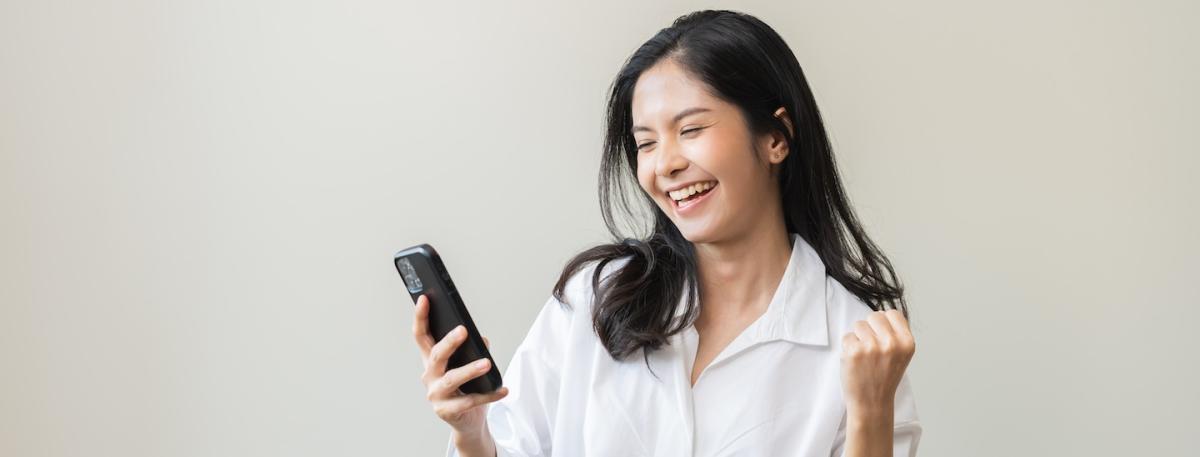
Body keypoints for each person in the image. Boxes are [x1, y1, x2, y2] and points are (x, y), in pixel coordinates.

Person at [413, 9, 921, 457]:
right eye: (646, 143)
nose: (666, 165)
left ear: (776, 136)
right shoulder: (595, 298)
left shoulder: (858, 346)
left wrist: (870, 413)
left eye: (691, 129)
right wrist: (472, 433)